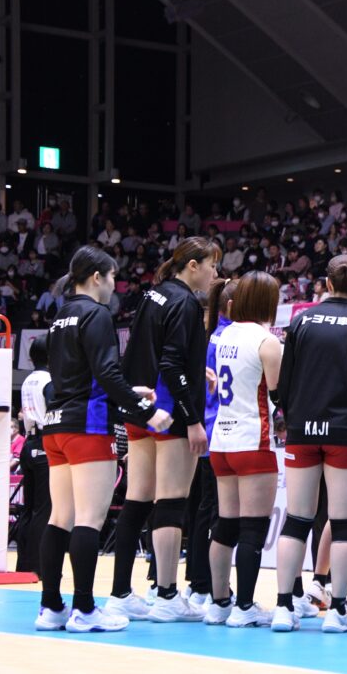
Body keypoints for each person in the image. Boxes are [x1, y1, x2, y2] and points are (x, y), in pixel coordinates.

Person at [36, 246, 172, 633]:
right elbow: (107, 373)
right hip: (88, 427)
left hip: (57, 426)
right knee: (90, 520)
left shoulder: (61, 316)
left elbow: (87, 376)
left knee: (60, 518)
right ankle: (84, 609)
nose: (115, 285)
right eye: (113, 277)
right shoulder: (96, 314)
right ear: (97, 277)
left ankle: (51, 607)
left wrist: (129, 392)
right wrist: (147, 411)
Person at [274, 256, 347, 634]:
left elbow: (284, 382)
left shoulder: (301, 320)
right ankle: (337, 610)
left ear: (326, 283)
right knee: (343, 523)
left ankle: (283, 607)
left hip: (302, 430)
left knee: (297, 519)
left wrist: (293, 418)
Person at [107, 237, 219, 622]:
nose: (215, 273)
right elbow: (170, 365)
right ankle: (167, 596)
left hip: (140, 410)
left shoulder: (153, 294)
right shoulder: (186, 303)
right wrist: (193, 419)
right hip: (169, 414)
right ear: (193, 266)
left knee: (138, 499)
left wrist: (196, 370)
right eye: (211, 265)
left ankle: (121, 593)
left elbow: (157, 354)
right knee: (171, 501)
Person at [203, 272, 283, 628]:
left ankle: (219, 602)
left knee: (225, 525)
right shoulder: (266, 340)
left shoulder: (221, 336)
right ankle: (245, 607)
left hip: (221, 441)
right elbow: (279, 394)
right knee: (253, 528)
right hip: (253, 439)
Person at [185, 278, 239, 609]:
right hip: (223, 431)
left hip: (210, 429)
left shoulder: (212, 336)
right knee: (217, 513)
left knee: (205, 509)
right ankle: (208, 586)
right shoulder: (231, 338)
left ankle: (200, 583)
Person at [16, 335, 53, 575]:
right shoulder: (49, 380)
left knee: (28, 509)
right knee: (43, 509)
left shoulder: (28, 380)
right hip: (44, 444)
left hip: (28, 444)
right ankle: (39, 566)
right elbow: (53, 409)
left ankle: (24, 564)